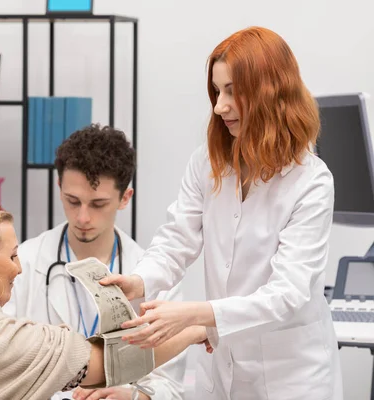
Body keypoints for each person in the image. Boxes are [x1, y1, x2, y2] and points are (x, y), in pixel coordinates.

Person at [100, 26, 343, 400]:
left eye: (232, 91)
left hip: (291, 375)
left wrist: (196, 314)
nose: (219, 106)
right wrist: (141, 280)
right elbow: (177, 238)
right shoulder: (208, 162)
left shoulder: (310, 182)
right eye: (217, 91)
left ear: (269, 93)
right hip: (224, 366)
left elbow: (287, 294)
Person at [0, 197, 206, 400]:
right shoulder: (7, 342)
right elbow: (119, 363)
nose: (20, 268)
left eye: (98, 204)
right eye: (12, 257)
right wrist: (200, 327)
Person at [3, 124, 187, 400]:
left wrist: (136, 398)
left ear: (125, 198)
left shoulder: (154, 274)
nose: (82, 218)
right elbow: (1, 365)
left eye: (98, 204)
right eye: (72, 201)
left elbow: (171, 385)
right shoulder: (24, 264)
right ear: (59, 187)